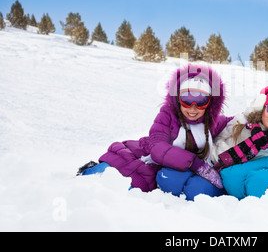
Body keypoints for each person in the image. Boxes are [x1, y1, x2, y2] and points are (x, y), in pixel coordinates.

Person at [77, 64, 233, 201]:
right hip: (145, 156)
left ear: (211, 103)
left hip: (166, 170)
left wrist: (254, 116)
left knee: (135, 184)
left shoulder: (210, 123)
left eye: (200, 101)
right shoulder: (168, 116)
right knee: (109, 178)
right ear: (177, 98)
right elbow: (157, 148)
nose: (192, 107)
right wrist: (194, 163)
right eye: (186, 99)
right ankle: (91, 170)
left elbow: (236, 121)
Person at [211, 86, 268, 170]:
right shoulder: (242, 121)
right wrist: (223, 155)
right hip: (212, 161)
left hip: (238, 176)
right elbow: (217, 138)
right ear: (262, 107)